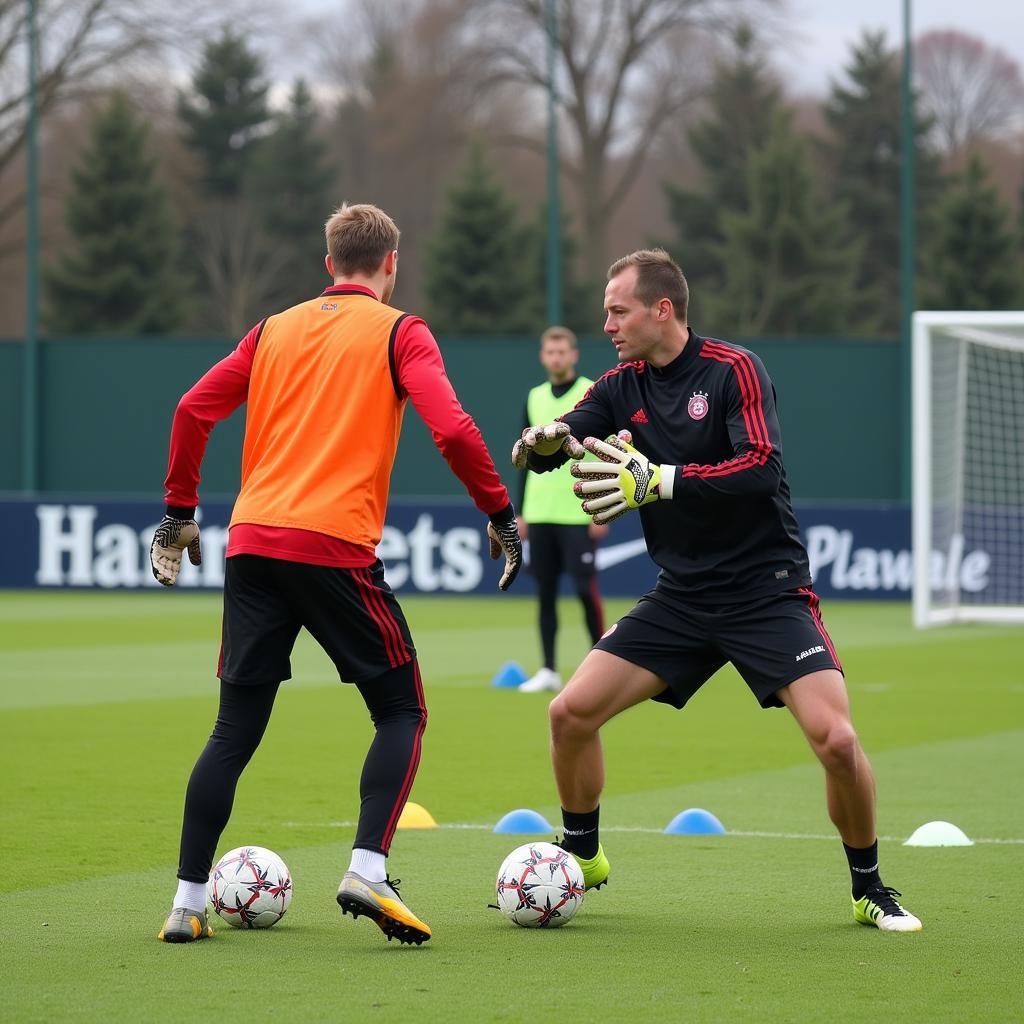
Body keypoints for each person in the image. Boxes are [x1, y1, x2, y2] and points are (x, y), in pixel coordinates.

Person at [511, 248, 922, 933]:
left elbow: (761, 468)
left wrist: (661, 480)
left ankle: (869, 886)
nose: (606, 324)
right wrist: (543, 440)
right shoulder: (619, 384)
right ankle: (583, 853)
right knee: (568, 715)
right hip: (681, 597)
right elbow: (569, 433)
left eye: (617, 310)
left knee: (838, 743)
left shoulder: (734, 370)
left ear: (661, 309)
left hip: (767, 592)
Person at [152, 203, 522, 947]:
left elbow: (193, 409)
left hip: (252, 545)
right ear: (392, 264)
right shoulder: (401, 330)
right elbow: (451, 428)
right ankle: (367, 868)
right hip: (332, 546)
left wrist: (177, 512)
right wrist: (501, 513)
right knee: (401, 709)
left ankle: (187, 901)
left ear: (328, 265)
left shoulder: (273, 329)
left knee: (233, 730)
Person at [516, 326, 607, 693]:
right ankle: (549, 669)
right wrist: (521, 511)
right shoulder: (534, 396)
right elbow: (523, 456)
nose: (556, 358)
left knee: (586, 591)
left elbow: (602, 449)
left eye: (562, 352)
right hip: (539, 512)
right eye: (550, 352)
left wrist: (599, 509)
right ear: (543, 357)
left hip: (578, 510)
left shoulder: (590, 391)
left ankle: (603, 665)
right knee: (546, 592)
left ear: (573, 355)